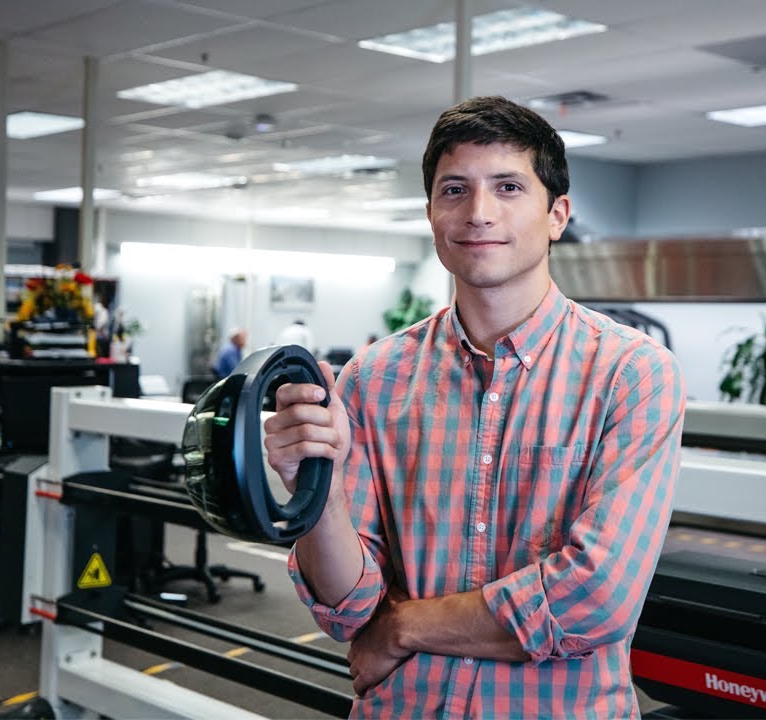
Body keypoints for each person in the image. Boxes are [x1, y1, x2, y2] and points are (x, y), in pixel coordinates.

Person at [264, 96, 685, 718]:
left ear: (557, 215)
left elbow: (596, 598)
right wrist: (317, 491)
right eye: (454, 189)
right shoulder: (373, 378)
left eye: (508, 187)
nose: (478, 212)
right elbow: (348, 610)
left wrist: (402, 626)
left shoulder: (631, 374)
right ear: (432, 214)